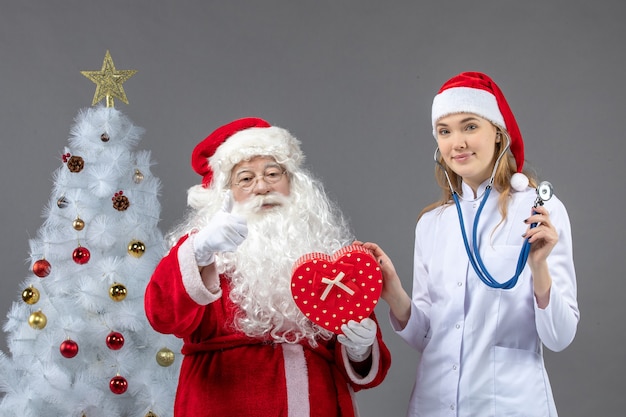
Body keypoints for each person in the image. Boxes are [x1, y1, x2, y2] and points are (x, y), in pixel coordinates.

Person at [361, 72, 579, 416]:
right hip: (434, 405)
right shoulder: (432, 224)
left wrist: (538, 268)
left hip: (510, 406)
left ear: (498, 133)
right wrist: (394, 293)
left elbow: (559, 336)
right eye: (445, 131)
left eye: (470, 126)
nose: (457, 142)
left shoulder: (539, 209)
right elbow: (429, 338)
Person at [145, 117, 391, 417]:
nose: (262, 186)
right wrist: (200, 249)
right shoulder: (202, 252)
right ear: (225, 193)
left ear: (293, 184)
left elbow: (367, 372)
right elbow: (162, 316)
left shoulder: (328, 253)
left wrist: (359, 350)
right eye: (246, 178)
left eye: (273, 173)